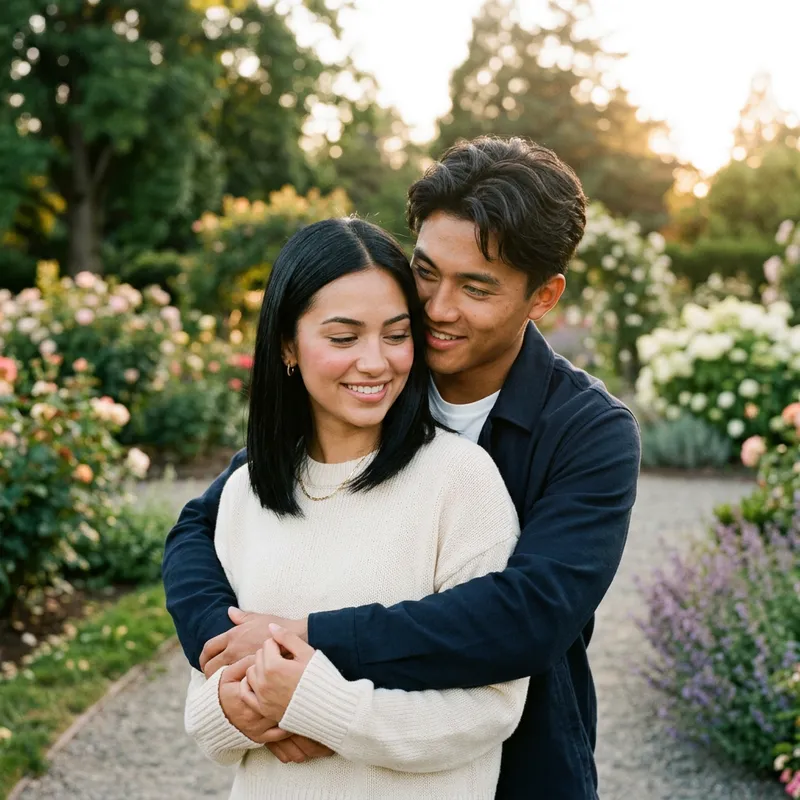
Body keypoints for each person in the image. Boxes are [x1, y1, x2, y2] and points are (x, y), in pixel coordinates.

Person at [163, 136, 641, 800]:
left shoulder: (587, 431)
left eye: (476, 288)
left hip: (520, 765)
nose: (437, 310)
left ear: (543, 297)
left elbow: (528, 617)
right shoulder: (376, 385)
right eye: (425, 272)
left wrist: (307, 646)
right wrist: (242, 666)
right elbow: (201, 523)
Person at [182, 216, 529, 798]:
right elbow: (203, 698)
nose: (375, 362)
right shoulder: (245, 494)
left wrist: (324, 709)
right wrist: (234, 710)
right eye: (344, 338)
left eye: (396, 335)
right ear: (288, 346)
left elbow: (493, 707)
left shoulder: (460, 482)